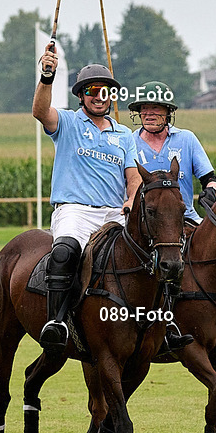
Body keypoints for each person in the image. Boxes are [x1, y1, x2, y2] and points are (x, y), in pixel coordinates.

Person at [33, 47, 194, 353]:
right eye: (93, 90)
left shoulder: (123, 135)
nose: (100, 96)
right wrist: (47, 77)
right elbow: (40, 111)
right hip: (75, 211)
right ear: (82, 95)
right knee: (65, 252)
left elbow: (133, 177)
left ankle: (165, 321)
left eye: (106, 91)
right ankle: (57, 322)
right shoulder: (67, 123)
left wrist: (132, 200)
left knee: (159, 252)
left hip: (113, 213)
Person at [128, 81, 216, 350]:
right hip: (145, 226)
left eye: (156, 109)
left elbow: (210, 178)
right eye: (145, 108)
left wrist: (210, 192)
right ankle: (162, 325)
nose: (149, 113)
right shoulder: (128, 142)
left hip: (187, 219)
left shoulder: (186, 139)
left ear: (168, 112)